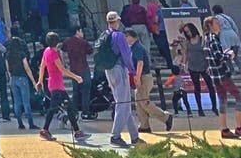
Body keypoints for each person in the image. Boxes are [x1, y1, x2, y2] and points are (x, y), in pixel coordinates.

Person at [95, 11, 139, 147]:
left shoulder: (104, 34)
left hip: (109, 71)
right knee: (123, 103)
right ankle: (115, 135)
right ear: (117, 21)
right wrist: (133, 71)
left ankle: (134, 136)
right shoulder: (119, 35)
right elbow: (126, 55)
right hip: (119, 69)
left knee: (124, 103)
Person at [203, 16, 241, 139]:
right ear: (210, 26)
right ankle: (239, 127)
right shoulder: (213, 39)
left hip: (215, 76)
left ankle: (224, 129)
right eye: (216, 23)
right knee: (239, 98)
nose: (219, 24)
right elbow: (219, 57)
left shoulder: (207, 39)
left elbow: (211, 58)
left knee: (223, 100)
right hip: (222, 74)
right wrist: (230, 55)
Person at [35, 32, 86, 142]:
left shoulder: (46, 51)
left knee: (65, 107)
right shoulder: (53, 53)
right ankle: (45, 130)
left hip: (54, 84)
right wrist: (76, 77)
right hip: (57, 84)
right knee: (57, 108)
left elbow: (42, 67)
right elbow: (62, 69)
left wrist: (40, 81)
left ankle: (77, 131)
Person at [125, 28, 172, 134]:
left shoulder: (137, 47)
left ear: (131, 37)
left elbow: (140, 63)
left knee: (143, 101)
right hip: (142, 76)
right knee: (139, 102)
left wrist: (137, 77)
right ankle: (144, 125)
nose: (125, 39)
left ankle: (165, 117)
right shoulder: (134, 47)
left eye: (126, 37)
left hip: (143, 77)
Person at [181, 22, 216, 116]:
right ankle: (200, 109)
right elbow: (185, 53)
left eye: (188, 31)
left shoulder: (202, 39)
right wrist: (184, 64)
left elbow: (207, 52)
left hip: (204, 65)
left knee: (210, 86)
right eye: (186, 32)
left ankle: (214, 107)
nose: (188, 33)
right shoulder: (186, 41)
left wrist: (209, 65)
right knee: (197, 88)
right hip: (193, 66)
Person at [4, 33, 36, 131]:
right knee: (26, 102)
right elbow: (27, 68)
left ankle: (20, 123)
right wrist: (33, 81)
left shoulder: (8, 55)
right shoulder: (22, 54)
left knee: (17, 103)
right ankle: (30, 123)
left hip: (13, 78)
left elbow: (8, 69)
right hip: (22, 78)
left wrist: (10, 78)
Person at [61, 27, 93, 119]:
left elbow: (62, 50)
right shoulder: (83, 42)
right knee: (85, 91)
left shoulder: (68, 41)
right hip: (83, 68)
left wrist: (64, 62)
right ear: (78, 32)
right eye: (81, 31)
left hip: (73, 69)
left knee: (75, 91)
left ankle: (74, 112)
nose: (82, 33)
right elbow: (90, 51)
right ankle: (85, 112)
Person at [211, 6, 241, 76]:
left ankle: (232, 70)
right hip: (233, 35)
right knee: (235, 55)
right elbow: (235, 27)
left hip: (224, 36)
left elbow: (216, 30)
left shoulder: (215, 18)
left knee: (227, 55)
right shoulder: (228, 17)